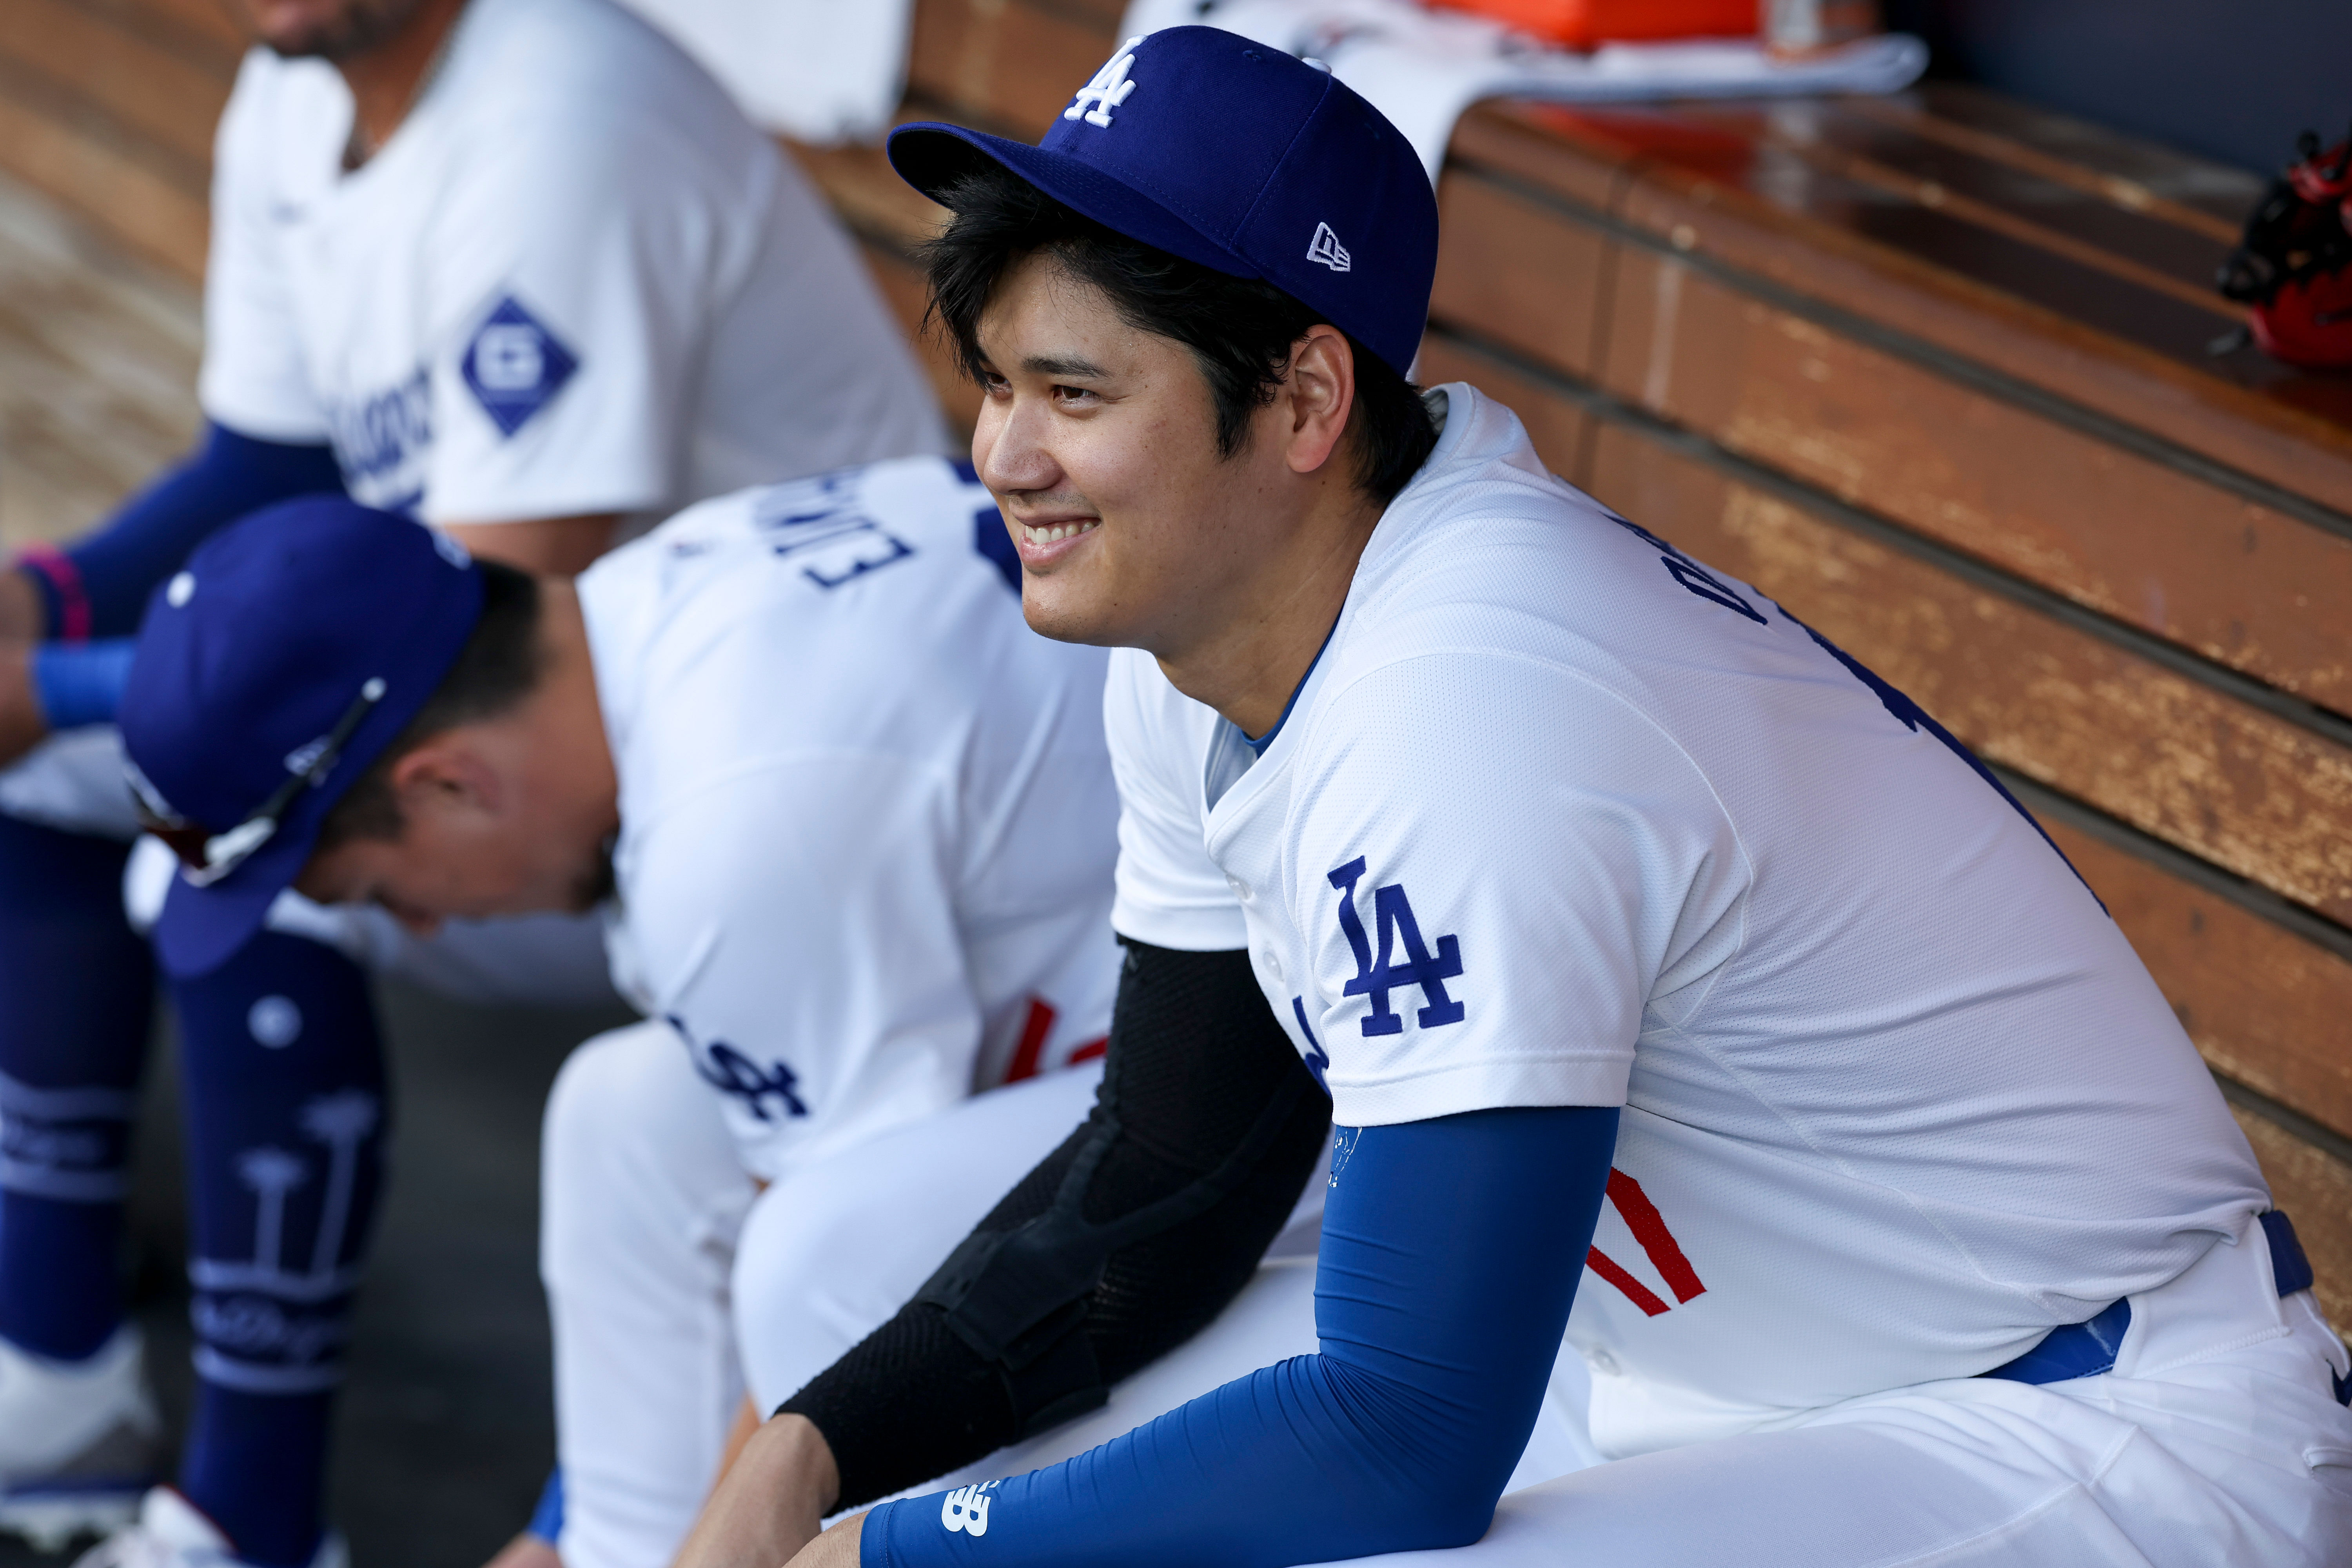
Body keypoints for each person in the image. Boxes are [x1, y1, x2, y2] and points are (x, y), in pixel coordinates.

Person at [670, 26, 2352, 1568]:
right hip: (1717, 1365)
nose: (1005, 456)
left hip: (2079, 1413)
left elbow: (1404, 1437)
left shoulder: (1474, 693)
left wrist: (920, 1548)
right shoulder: (1209, 637)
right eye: (998, 382)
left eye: (1077, 394)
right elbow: (1176, 1167)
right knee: (831, 1276)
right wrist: (813, 1458)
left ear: (1308, 400)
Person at [0, 0, 943, 1558]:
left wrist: (48, 687)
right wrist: (43, 603)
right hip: (609, 755)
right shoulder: (292, 103)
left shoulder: (559, 120)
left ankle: (252, 1518)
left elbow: (459, 619)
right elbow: (269, 470)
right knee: (74, 792)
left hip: (738, 802)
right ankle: (57, 1371)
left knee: (222, 862)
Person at [104, 459, 1286, 1568]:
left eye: (378, 888)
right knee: (621, 1114)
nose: (419, 926)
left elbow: (864, 1314)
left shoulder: (725, 831)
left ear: (450, 781)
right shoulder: (669, 594)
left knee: (818, 1260)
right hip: (1132, 995)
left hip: (1287, 1082)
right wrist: (565, 1532)